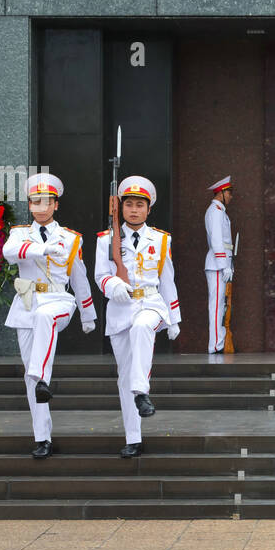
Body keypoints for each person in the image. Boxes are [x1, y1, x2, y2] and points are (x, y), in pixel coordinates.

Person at [2, 172, 97, 459]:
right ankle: (42, 437)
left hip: (58, 299)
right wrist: (41, 248)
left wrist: (87, 313)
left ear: (56, 205)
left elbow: (79, 277)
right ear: (30, 205)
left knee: (45, 320)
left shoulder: (70, 238)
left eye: (47, 202)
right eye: (35, 202)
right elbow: (8, 252)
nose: (41, 207)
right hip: (26, 303)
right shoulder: (20, 233)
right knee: (30, 380)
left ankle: (42, 376)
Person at [95, 175, 181, 458]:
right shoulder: (106, 239)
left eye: (139, 205)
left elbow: (167, 280)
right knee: (124, 378)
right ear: (120, 208)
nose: (134, 209)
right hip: (121, 311)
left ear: (148, 209)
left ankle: (142, 390)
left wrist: (175, 318)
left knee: (143, 326)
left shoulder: (161, 239)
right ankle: (134, 438)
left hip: (151, 304)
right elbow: (100, 276)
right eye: (128, 204)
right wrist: (114, 286)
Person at [204, 175, 234, 353]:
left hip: (222, 263)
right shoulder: (215, 211)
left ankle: (219, 342)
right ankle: (215, 343)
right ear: (221, 193)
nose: (231, 196)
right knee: (216, 305)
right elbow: (216, 240)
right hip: (217, 264)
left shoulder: (219, 211)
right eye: (229, 192)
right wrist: (223, 265)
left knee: (222, 304)